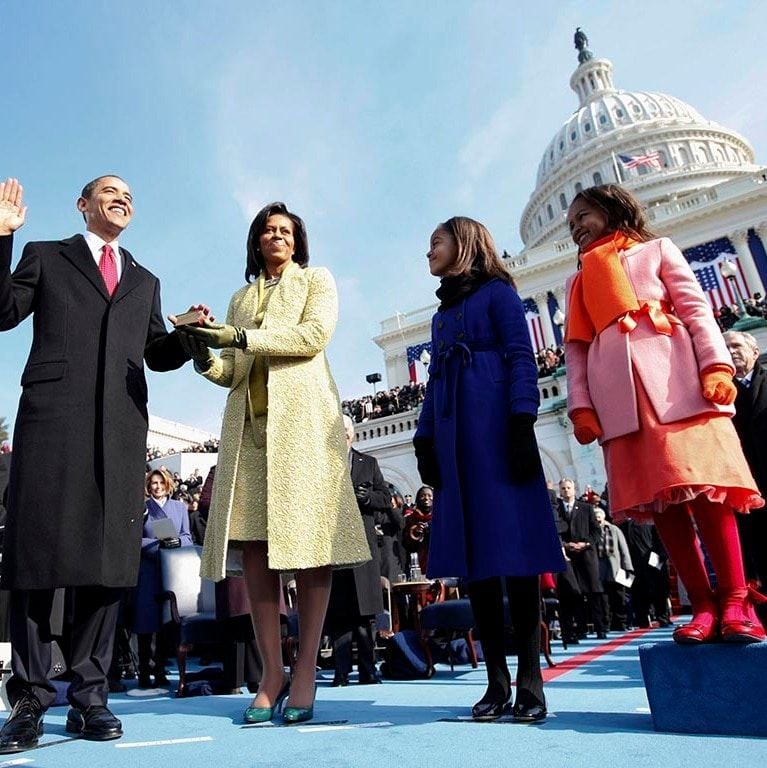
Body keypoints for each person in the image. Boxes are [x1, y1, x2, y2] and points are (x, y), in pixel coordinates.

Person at [0, 176, 196, 753]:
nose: (122, 199)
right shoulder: (45, 256)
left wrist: (184, 334)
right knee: (39, 559)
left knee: (108, 563)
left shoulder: (145, 281)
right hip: (53, 424)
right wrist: (2, 234)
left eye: (130, 195)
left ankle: (90, 696)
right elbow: (2, 310)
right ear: (83, 204)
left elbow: (156, 354)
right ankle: (31, 698)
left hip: (120, 432)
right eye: (110, 191)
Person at [176, 201, 369, 724]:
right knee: (255, 552)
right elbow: (232, 371)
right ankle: (271, 672)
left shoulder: (317, 282)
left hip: (304, 431)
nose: (276, 236)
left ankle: (305, 667)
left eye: (285, 230)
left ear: (297, 242)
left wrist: (238, 337)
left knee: (310, 550)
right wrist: (202, 351)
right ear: (256, 242)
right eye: (268, 230)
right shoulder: (240, 298)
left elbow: (312, 339)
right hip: (250, 435)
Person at [564, 183, 766, 645]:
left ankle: (735, 599)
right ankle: (702, 603)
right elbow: (576, 351)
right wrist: (581, 406)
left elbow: (696, 310)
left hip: (677, 386)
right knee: (664, 506)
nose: (576, 227)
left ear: (611, 209)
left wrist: (715, 365)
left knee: (708, 495)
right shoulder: (576, 281)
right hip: (622, 405)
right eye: (571, 222)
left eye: (583, 216)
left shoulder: (656, 250)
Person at [413, 216, 565, 722]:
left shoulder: (499, 294)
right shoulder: (441, 317)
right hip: (456, 440)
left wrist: (523, 420)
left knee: (517, 556)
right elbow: (434, 381)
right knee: (475, 559)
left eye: (436, 242)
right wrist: (424, 437)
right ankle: (495, 680)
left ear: (464, 243)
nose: (428, 252)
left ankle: (530, 679)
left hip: (497, 432)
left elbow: (522, 356)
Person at [326, 415, 389, 687]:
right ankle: (341, 674)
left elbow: (385, 499)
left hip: (364, 546)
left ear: (353, 434)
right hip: (334, 544)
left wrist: (368, 498)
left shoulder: (369, 463)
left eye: (346, 430)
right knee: (339, 615)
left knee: (365, 615)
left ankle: (368, 671)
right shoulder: (323, 463)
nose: (343, 435)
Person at [132, 468, 193, 689]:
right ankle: (144, 673)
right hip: (148, 570)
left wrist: (177, 542)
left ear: (167, 484)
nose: (156, 486)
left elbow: (187, 535)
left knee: (167, 621)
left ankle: (160, 670)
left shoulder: (179, 508)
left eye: (160, 482)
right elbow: (134, 540)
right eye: (153, 483)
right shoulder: (143, 508)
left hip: (172, 570)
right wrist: (157, 544)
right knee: (145, 621)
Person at [724, 330, 767, 608]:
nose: (731, 350)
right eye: (725, 347)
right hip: (746, 490)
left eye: (737, 345)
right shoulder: (719, 394)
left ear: (754, 351)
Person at [554, 478, 606, 641]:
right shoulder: (557, 511)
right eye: (563, 489)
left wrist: (585, 543)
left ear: (574, 489)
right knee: (572, 593)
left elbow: (597, 532)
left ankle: (600, 628)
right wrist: (566, 545)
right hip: (568, 557)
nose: (566, 491)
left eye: (568, 488)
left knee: (593, 592)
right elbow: (556, 533)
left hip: (587, 556)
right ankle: (579, 629)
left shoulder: (587, 508)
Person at [594, 507, 633, 632]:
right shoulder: (592, 531)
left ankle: (621, 623)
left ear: (604, 516)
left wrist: (627, 567)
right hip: (599, 568)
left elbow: (623, 549)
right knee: (604, 599)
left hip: (615, 567)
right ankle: (607, 624)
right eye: (595, 515)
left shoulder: (614, 529)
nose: (597, 517)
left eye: (599, 515)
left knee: (619, 596)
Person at [402, 485, 433, 575]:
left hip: (438, 559)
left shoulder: (440, 517)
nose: (426, 498)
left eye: (429, 495)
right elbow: (405, 543)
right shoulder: (411, 518)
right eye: (423, 495)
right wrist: (415, 533)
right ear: (418, 499)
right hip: (417, 563)